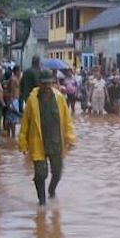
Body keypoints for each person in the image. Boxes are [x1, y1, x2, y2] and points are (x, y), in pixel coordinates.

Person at [19, 70, 76, 206]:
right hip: (38, 142)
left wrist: (70, 137)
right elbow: (25, 123)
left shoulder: (59, 98)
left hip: (56, 142)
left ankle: (51, 190)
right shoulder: (32, 100)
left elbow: (67, 120)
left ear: (53, 83)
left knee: (57, 172)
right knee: (40, 174)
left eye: (49, 84)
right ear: (39, 84)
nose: (46, 87)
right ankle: (42, 202)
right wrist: (22, 142)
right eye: (44, 84)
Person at [6, 66, 22, 139]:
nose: (20, 73)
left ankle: (9, 136)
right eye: (19, 71)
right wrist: (11, 102)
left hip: (13, 100)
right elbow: (11, 91)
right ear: (16, 71)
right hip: (13, 100)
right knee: (13, 120)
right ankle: (12, 136)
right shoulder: (13, 79)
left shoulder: (14, 79)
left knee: (10, 119)